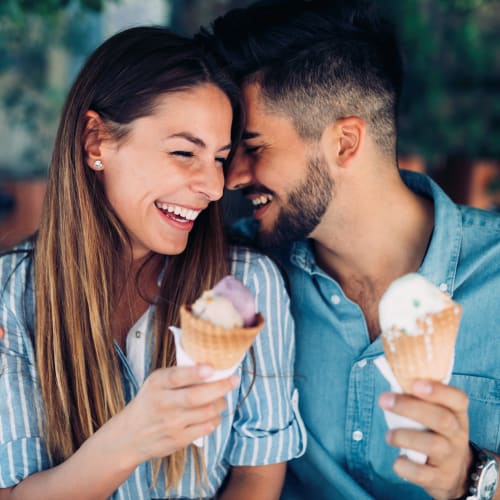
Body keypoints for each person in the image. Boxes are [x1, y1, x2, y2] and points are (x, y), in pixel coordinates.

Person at [201, 1, 500, 499]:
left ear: (344, 143)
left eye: (253, 148)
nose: (230, 178)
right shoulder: (238, 280)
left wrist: (477, 477)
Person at [0, 26, 305, 499]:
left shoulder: (246, 284)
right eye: (184, 152)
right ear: (95, 141)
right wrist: (129, 439)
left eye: (220, 159)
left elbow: (257, 472)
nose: (214, 187)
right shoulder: (11, 294)